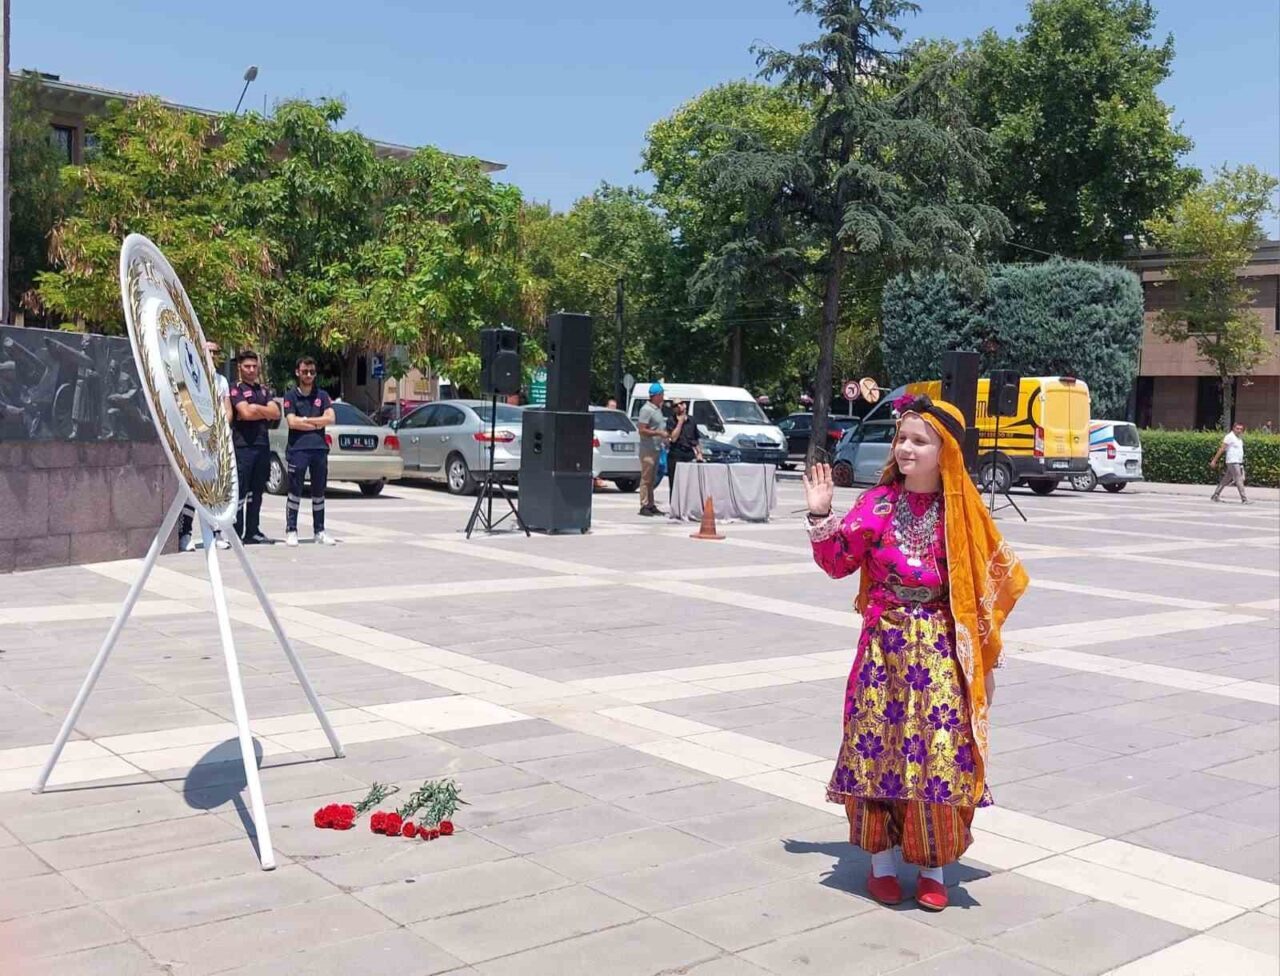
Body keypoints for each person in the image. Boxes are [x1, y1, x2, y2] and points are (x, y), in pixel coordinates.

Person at [802, 394, 1028, 912]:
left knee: (940, 755)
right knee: (875, 747)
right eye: (901, 438)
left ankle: (932, 868)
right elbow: (838, 563)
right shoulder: (877, 504)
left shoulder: (963, 511)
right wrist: (820, 514)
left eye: (919, 441)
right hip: (883, 647)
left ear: (945, 450)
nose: (905, 448)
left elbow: (994, 583)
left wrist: (986, 654)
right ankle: (881, 863)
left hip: (942, 649)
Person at [178, 342, 233, 552]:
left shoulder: (221, 381)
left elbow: (227, 410)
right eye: (207, 351)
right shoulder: (189, 376)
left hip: (216, 441)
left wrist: (221, 429)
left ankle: (216, 532)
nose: (211, 356)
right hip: (195, 439)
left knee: (214, 487)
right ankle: (185, 534)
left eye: (215, 352)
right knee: (192, 488)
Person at [283, 357, 337, 546]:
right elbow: (292, 422)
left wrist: (306, 420)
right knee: (295, 491)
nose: (308, 375)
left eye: (312, 372)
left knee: (319, 492)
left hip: (319, 449)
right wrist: (317, 422)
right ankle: (291, 530)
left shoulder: (322, 395)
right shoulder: (290, 396)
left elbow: (330, 418)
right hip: (298, 449)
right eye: (305, 371)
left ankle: (319, 531)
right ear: (297, 372)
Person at [229, 350, 280, 543]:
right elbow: (245, 413)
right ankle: (235, 533)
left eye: (254, 366)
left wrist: (256, 408)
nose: (251, 370)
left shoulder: (264, 390)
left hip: (262, 445)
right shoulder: (236, 389)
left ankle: (252, 531)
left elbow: (275, 413)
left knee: (257, 491)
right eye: (247, 366)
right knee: (240, 490)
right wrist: (261, 411)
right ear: (239, 368)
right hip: (243, 446)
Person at [636, 382, 669, 516]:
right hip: (647, 449)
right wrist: (658, 433)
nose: (663, 396)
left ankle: (651, 504)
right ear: (656, 395)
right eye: (662, 394)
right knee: (646, 478)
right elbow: (642, 430)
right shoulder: (646, 410)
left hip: (656, 448)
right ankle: (644, 505)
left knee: (652, 478)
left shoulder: (657, 409)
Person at [665, 398, 704, 502]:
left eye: (681, 403)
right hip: (676, 453)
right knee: (675, 483)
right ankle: (674, 505)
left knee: (690, 484)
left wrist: (699, 453)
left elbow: (695, 439)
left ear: (685, 405)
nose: (679, 406)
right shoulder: (671, 420)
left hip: (689, 454)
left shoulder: (692, 420)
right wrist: (680, 422)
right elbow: (673, 438)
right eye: (675, 405)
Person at [1210, 422, 1250, 504]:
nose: (1239, 430)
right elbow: (1222, 449)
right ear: (1233, 428)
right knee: (1238, 478)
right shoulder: (1229, 437)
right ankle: (1244, 499)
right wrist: (1214, 460)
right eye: (1237, 428)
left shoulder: (1239, 438)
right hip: (1232, 461)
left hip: (1237, 461)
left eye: (1241, 429)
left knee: (1226, 479)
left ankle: (1215, 495)